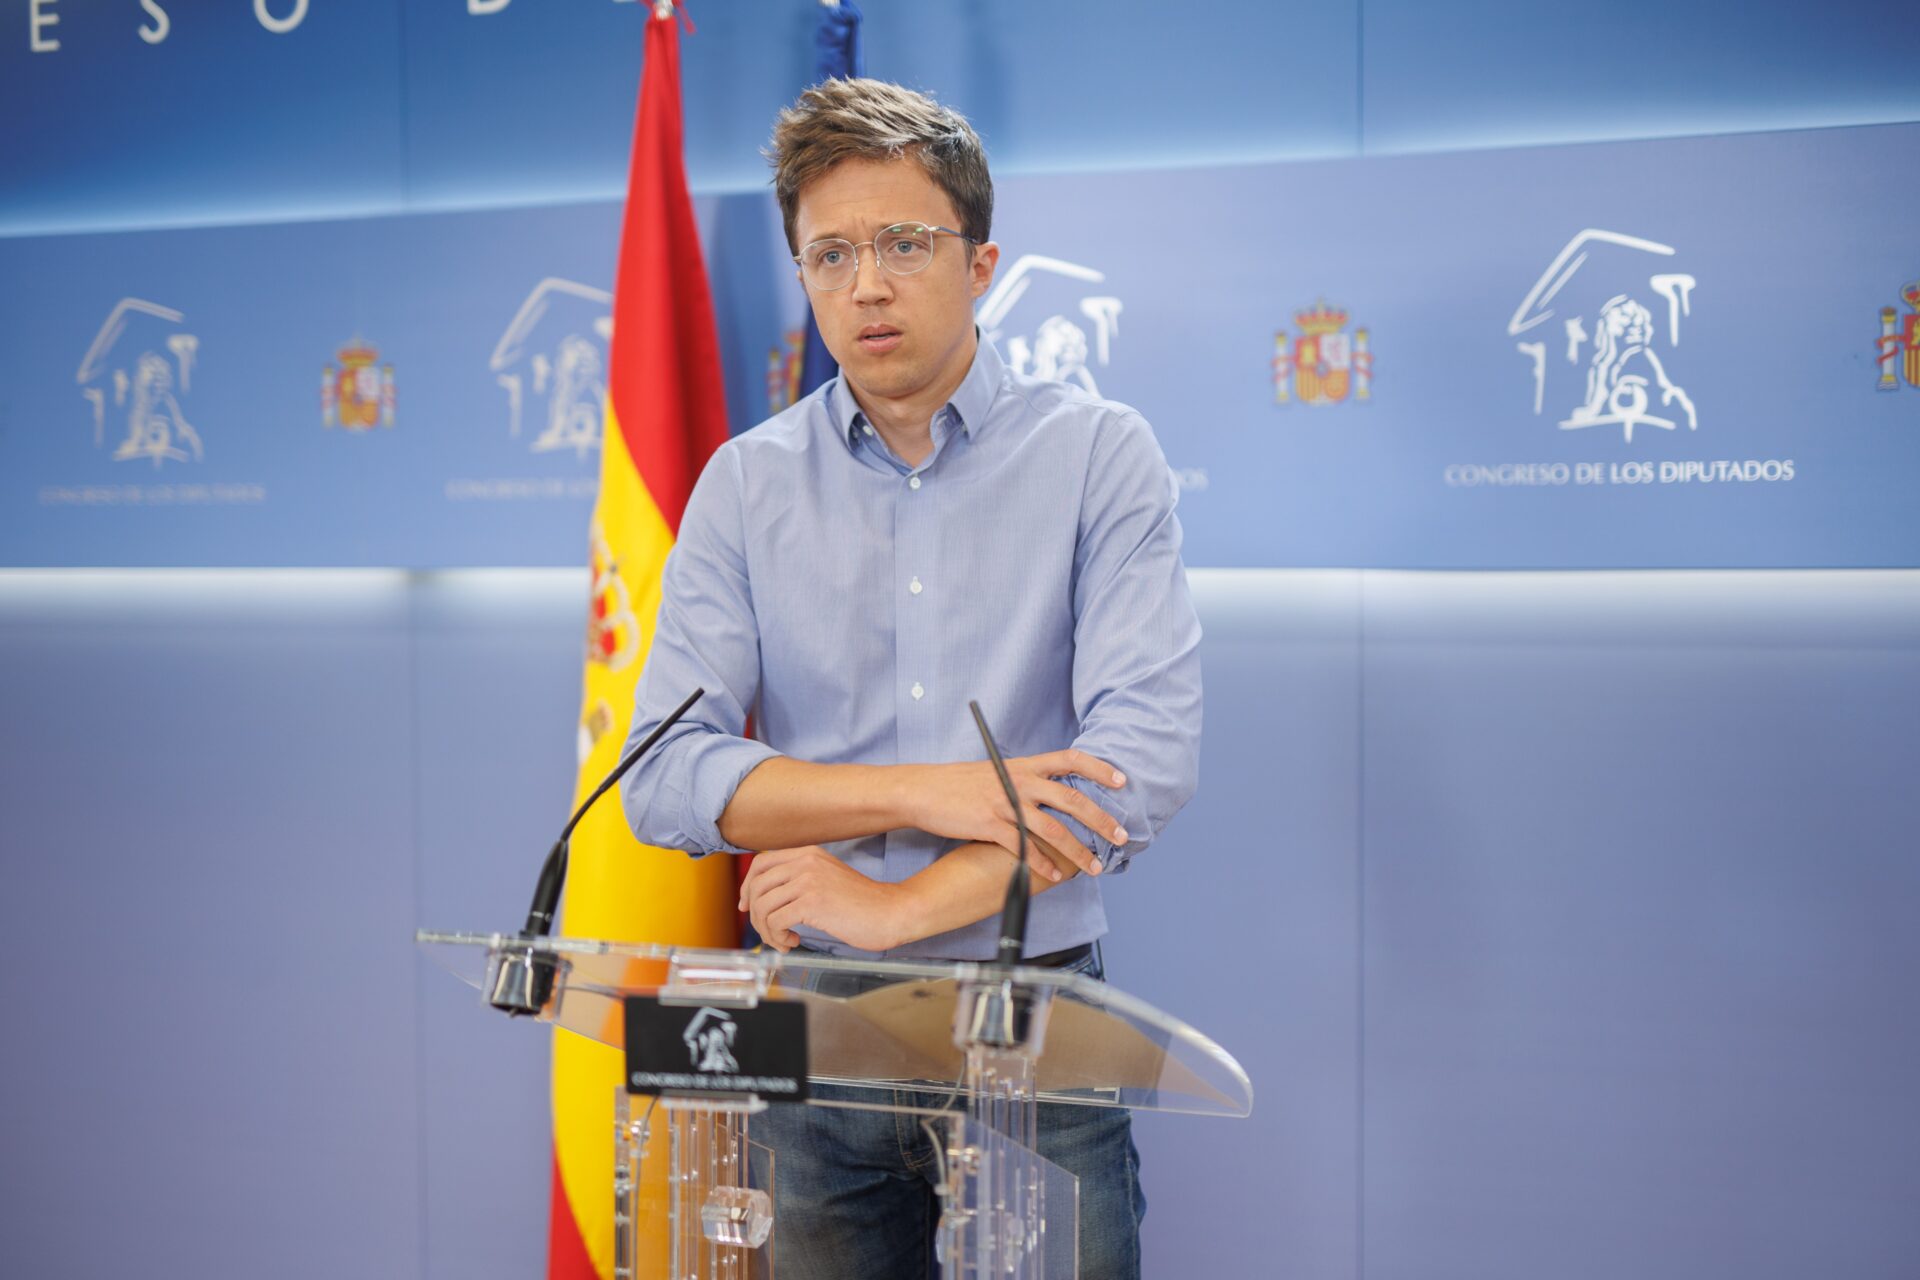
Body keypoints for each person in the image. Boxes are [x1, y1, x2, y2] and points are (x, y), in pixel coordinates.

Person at [618, 77, 1202, 1279]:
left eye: (902, 243)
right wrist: (928, 793)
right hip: (814, 1035)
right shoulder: (745, 483)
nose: (866, 285)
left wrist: (895, 907)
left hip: (1029, 1019)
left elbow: (1134, 770)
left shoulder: (1098, 456)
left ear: (981, 263)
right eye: (829, 255)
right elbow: (664, 777)